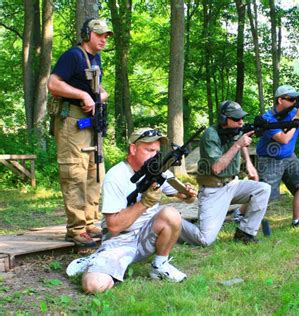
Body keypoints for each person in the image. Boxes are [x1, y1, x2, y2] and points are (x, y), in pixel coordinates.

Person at [67, 128, 197, 293]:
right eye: (149, 150)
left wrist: (189, 194)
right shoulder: (116, 176)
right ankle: (98, 261)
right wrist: (145, 203)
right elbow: (113, 227)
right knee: (95, 286)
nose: (154, 155)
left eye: (156, 151)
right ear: (133, 149)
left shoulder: (159, 170)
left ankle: (160, 265)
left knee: (171, 214)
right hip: (119, 241)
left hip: (146, 238)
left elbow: (184, 195)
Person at [47, 18, 113, 247]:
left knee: (95, 171)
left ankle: (89, 221)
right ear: (87, 35)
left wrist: (100, 96)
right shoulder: (73, 56)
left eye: (106, 36)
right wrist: (82, 96)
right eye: (100, 35)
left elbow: (99, 89)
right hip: (72, 121)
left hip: (90, 122)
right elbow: (53, 84)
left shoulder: (96, 59)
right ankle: (75, 229)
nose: (104, 39)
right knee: (74, 172)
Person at [180, 101, 271, 246]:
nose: (241, 122)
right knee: (204, 239)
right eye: (236, 119)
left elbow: (242, 140)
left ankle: (245, 233)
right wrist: (237, 145)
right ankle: (172, 222)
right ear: (223, 119)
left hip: (233, 184)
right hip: (214, 190)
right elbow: (216, 168)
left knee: (263, 189)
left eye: (241, 118)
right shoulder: (211, 135)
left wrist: (248, 163)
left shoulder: (236, 130)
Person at [256, 85, 299, 228]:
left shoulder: (295, 112)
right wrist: (295, 119)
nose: (295, 102)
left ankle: (297, 221)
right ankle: (240, 214)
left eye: (296, 99)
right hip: (269, 159)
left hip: (289, 156)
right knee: (264, 194)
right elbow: (283, 139)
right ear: (280, 100)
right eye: (291, 99)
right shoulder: (267, 119)